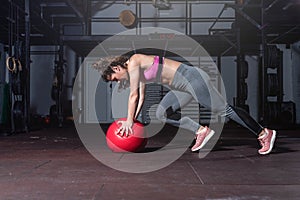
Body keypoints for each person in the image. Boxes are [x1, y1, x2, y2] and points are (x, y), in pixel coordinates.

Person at [92, 54, 277, 155]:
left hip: (192, 79)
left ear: (116, 68)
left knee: (225, 110)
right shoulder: (136, 71)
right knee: (161, 113)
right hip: (180, 87)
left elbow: (132, 95)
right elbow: (140, 97)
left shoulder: (134, 62)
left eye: (115, 79)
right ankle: (201, 131)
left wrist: (129, 123)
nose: (117, 82)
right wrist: (133, 119)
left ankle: (263, 133)